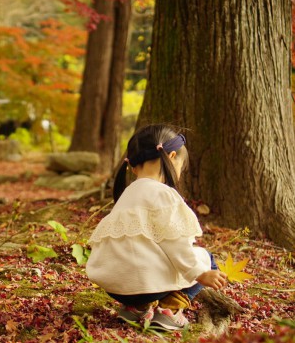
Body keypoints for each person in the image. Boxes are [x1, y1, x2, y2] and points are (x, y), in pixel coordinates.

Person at [86, 124, 227, 331]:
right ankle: (169, 310)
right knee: (207, 258)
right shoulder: (163, 194)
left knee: (143, 253)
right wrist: (200, 273)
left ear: (133, 167)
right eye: (180, 165)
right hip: (145, 287)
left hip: (115, 285)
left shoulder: (127, 195)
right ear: (171, 157)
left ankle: (136, 308)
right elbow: (177, 245)